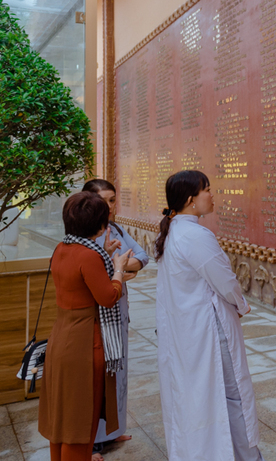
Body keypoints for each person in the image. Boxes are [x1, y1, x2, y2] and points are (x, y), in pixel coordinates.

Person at [155, 170, 264, 461]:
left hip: (189, 331)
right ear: (192, 200)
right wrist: (241, 305)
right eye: (208, 190)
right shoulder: (194, 234)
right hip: (208, 330)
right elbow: (224, 279)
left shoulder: (176, 231)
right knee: (233, 396)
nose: (212, 195)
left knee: (202, 397)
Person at [38, 192, 132, 461]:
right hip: (84, 344)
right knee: (81, 422)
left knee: (63, 421)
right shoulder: (91, 256)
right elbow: (108, 296)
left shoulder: (62, 248)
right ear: (101, 225)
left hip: (61, 339)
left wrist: (105, 255)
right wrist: (117, 269)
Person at [81, 179, 150, 454]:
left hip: (119, 310)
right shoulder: (84, 234)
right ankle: (93, 442)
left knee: (117, 372)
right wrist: (119, 270)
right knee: (98, 375)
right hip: (97, 314)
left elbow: (143, 257)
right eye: (104, 201)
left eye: (113, 200)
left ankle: (113, 430)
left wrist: (118, 270)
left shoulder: (116, 229)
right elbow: (96, 273)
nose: (110, 206)